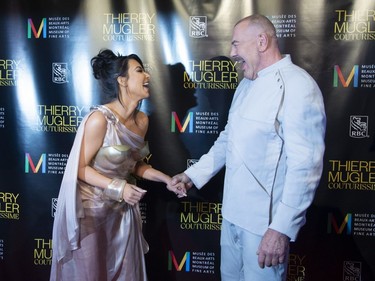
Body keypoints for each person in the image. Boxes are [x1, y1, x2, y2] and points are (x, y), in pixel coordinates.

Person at [172, 14, 326, 281]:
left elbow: (306, 167)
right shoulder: (245, 84)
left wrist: (281, 229)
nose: (232, 53)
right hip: (232, 215)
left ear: (262, 41)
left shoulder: (299, 86)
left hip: (264, 226)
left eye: (236, 44)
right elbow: (228, 139)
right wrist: (191, 176)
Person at [50, 49, 187, 281]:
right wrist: (119, 187)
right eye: (139, 71)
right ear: (122, 80)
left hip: (122, 214)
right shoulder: (99, 119)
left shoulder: (142, 121)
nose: (148, 77)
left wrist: (167, 180)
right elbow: (80, 168)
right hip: (91, 216)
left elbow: (134, 165)